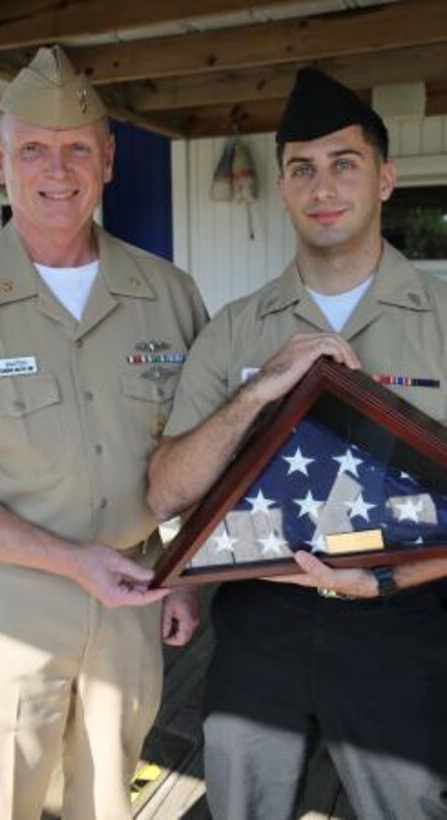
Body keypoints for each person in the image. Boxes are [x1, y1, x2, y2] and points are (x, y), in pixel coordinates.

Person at [0, 46, 207, 820]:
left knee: (107, 803)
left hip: (132, 606)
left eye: (76, 149)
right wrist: (68, 560)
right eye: (33, 149)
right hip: (2, 615)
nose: (57, 169)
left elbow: (205, 453)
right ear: (0, 160)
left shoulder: (168, 294)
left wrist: (189, 571)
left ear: (107, 159)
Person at [147, 67, 447, 819]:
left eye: (344, 164)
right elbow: (166, 491)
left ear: (383, 178)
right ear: (281, 188)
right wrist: (258, 389)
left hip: (404, 618)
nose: (323, 187)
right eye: (301, 169)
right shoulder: (236, 329)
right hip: (259, 624)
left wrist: (385, 584)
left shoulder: (442, 320)